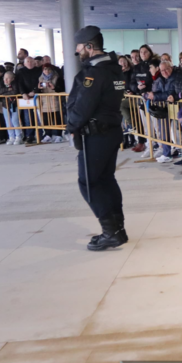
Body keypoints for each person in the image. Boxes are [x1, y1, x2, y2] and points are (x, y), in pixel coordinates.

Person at [64, 26, 128, 251]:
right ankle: (118, 228)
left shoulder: (94, 73)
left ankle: (111, 232)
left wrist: (71, 126)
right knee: (106, 179)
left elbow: (82, 106)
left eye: (79, 47)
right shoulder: (114, 70)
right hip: (110, 131)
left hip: (96, 134)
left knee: (88, 183)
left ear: (89, 47)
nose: (77, 51)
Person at [0, 69, 23, 145]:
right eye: (4, 78)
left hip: (14, 104)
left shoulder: (16, 83)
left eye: (8, 78)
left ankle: (18, 136)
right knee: (8, 122)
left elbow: (15, 91)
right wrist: (7, 90)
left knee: (15, 120)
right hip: (5, 105)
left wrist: (4, 92)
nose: (6, 80)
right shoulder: (1, 83)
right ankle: (11, 137)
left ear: (12, 78)